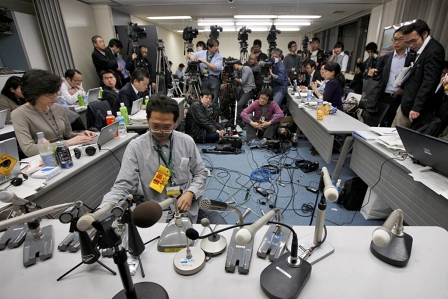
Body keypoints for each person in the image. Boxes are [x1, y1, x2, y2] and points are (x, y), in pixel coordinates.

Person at [100, 95, 225, 224]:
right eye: (155, 126)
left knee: (221, 229)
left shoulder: (186, 142)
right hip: (158, 211)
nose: (160, 131)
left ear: (176, 122)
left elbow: (201, 172)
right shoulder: (136, 147)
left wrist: (190, 193)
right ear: (147, 120)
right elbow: (124, 185)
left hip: (189, 207)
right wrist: (103, 209)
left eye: (167, 127)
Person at [11, 69, 96, 157]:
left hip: (67, 153)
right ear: (34, 94)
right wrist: (68, 142)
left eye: (56, 93)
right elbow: (29, 150)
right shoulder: (19, 114)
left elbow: (68, 134)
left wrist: (80, 135)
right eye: (50, 95)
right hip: (45, 158)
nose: (55, 98)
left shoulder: (58, 108)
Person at [392, 20, 445, 128]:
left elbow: (429, 81)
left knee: (398, 138)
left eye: (413, 41)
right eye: (407, 42)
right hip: (407, 102)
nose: (411, 45)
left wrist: (417, 107)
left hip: (415, 108)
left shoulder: (434, 50)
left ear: (425, 34)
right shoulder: (419, 49)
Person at [367, 27, 413, 126]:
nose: (396, 42)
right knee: (379, 124)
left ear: (406, 40)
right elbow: (377, 75)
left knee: (394, 126)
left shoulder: (411, 58)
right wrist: (373, 72)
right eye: (394, 39)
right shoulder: (385, 58)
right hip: (384, 95)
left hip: (400, 98)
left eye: (400, 39)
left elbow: (413, 78)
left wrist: (404, 87)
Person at [188, 38, 223, 119]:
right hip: (204, 78)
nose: (217, 47)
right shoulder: (202, 53)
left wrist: (204, 62)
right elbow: (189, 54)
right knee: (204, 99)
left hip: (214, 79)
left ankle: (214, 119)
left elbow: (215, 68)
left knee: (213, 100)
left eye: (217, 46)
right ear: (209, 47)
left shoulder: (218, 56)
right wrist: (192, 56)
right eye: (215, 46)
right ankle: (204, 118)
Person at [233, 60, 255, 126]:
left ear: (237, 64)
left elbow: (243, 81)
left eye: (233, 65)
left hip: (248, 90)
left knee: (239, 104)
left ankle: (239, 122)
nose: (233, 67)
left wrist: (233, 78)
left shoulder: (246, 68)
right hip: (242, 91)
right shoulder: (238, 71)